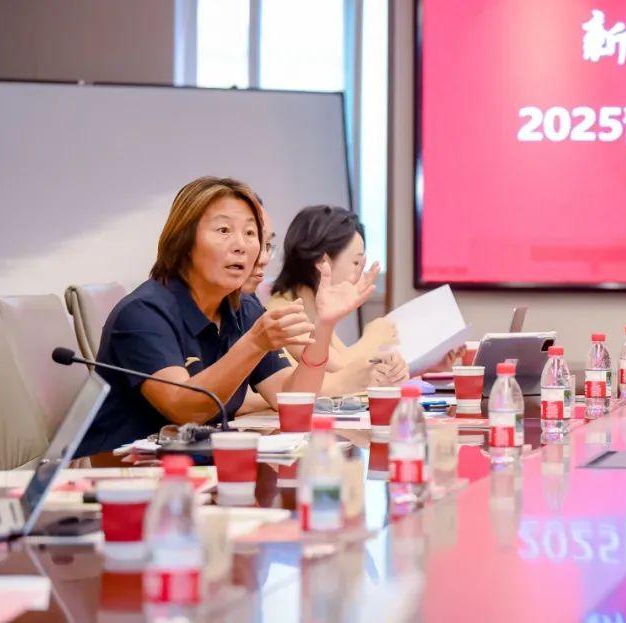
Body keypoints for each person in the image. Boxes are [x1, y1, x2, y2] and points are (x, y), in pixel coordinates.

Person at [76, 177, 375, 457]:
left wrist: (324, 326)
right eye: (224, 231)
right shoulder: (143, 313)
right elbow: (185, 409)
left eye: (250, 233)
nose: (241, 245)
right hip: (127, 481)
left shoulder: (243, 308)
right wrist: (255, 343)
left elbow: (291, 398)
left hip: (202, 468)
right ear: (184, 242)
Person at [267, 205, 413, 391]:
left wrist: (392, 369)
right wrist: (373, 337)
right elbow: (344, 368)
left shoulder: (312, 310)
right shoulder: (284, 313)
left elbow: (350, 369)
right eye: (356, 262)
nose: (361, 273)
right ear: (322, 262)